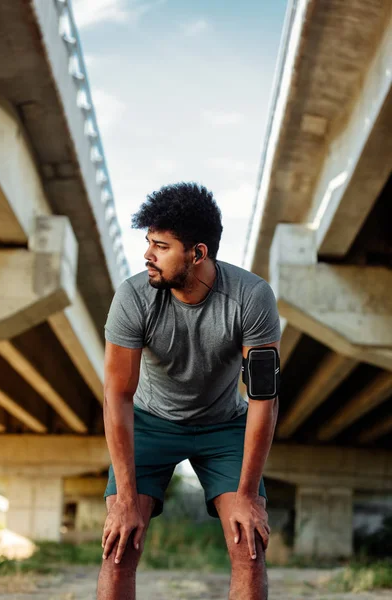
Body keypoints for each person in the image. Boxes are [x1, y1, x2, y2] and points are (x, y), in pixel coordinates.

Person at [97, 182, 280, 600]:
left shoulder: (251, 297)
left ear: (197, 253)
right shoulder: (132, 297)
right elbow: (118, 397)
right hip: (150, 422)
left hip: (223, 425)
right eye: (148, 243)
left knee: (248, 547)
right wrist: (125, 499)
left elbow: (263, 399)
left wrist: (249, 495)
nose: (147, 255)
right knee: (119, 547)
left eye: (160, 246)